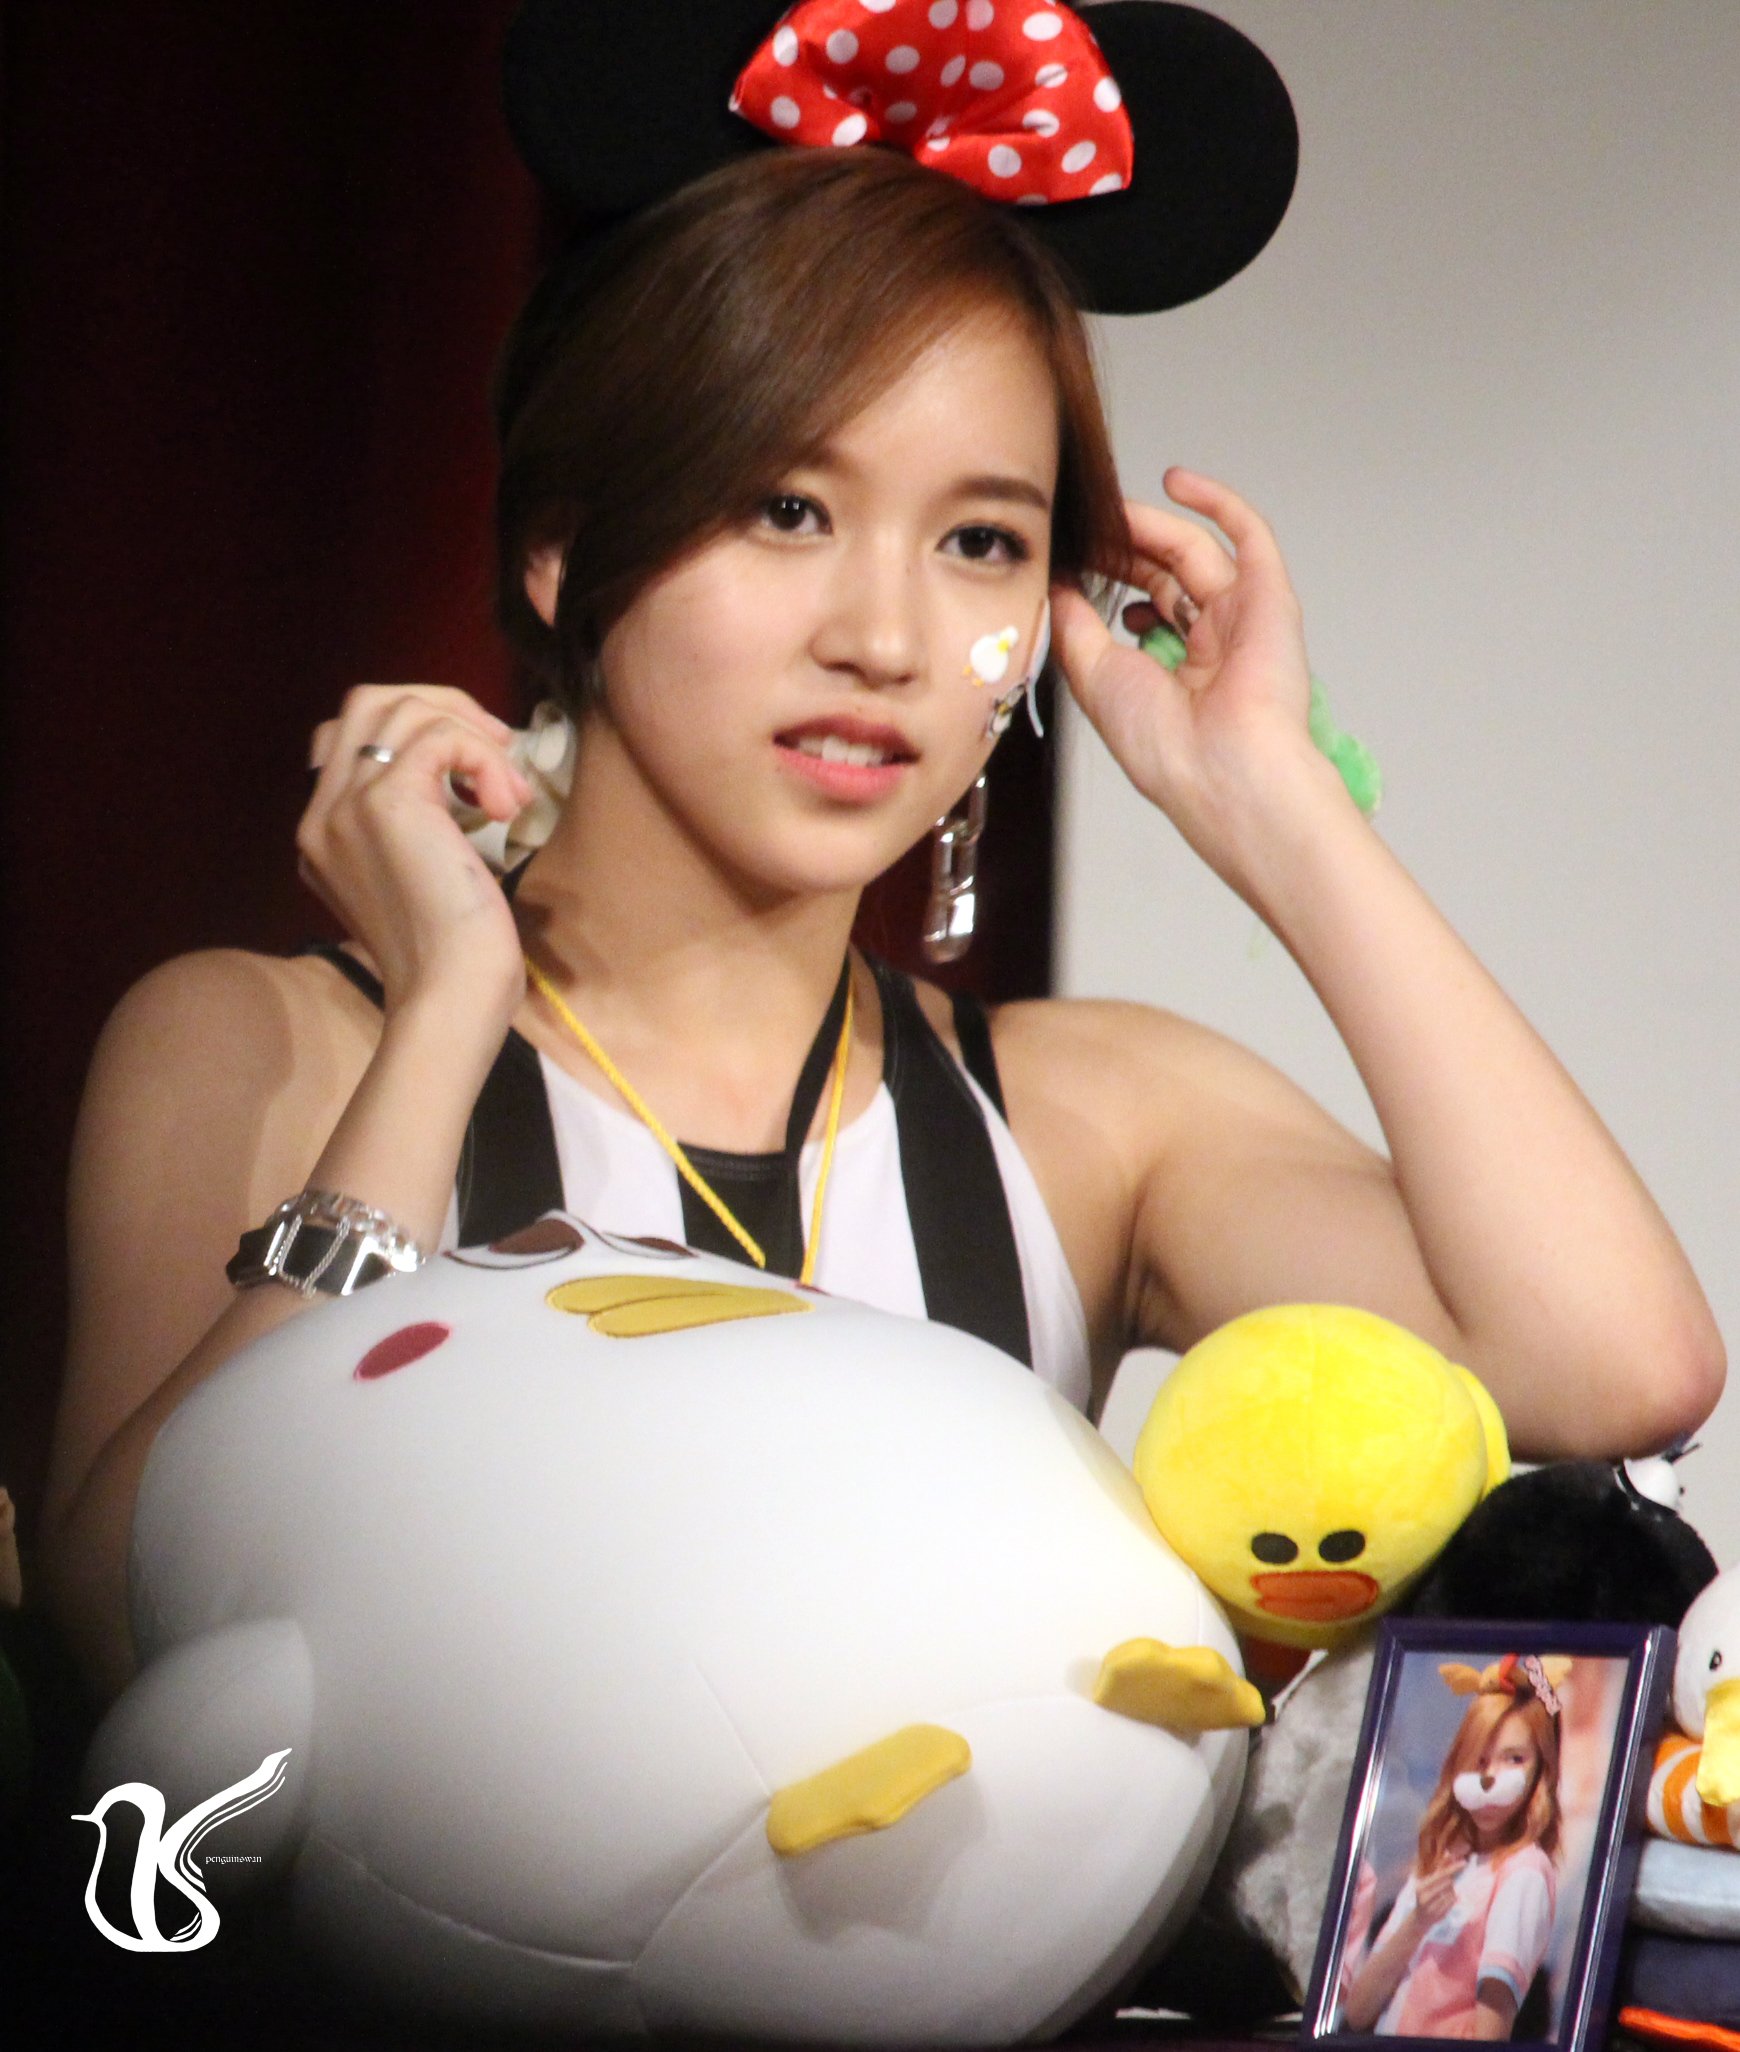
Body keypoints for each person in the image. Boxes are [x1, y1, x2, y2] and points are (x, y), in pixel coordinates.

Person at [39, 5, 1722, 1708]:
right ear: (562, 545)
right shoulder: (270, 1047)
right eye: (788, 509)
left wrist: (1268, 803)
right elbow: (125, 1626)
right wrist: (446, 1020)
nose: (886, 636)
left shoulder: (1087, 1121)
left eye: (981, 541)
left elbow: (1617, 1366)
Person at [1339, 1659, 1566, 2038]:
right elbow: (1359, 2012)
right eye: (1479, 1759)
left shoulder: (1524, 1872)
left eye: (1514, 1758)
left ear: (1540, 1770)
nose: (1491, 1776)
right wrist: (1418, 1921)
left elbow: (1491, 2033)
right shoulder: (1443, 1861)